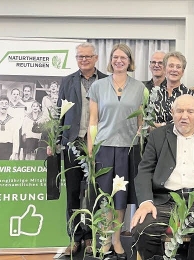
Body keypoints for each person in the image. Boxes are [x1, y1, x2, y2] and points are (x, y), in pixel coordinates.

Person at [131, 94, 194, 260]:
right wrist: (146, 202)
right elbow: (144, 171)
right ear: (172, 112)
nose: (184, 116)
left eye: (190, 111)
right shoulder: (158, 136)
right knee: (142, 230)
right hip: (163, 199)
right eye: (180, 111)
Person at [88, 43, 145, 258]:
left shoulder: (139, 88)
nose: (119, 61)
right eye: (115, 57)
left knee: (120, 198)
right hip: (104, 147)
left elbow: (140, 122)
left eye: (123, 57)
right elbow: (93, 120)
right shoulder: (98, 86)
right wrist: (91, 148)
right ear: (110, 60)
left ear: (130, 62)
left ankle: (117, 239)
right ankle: (104, 239)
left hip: (127, 149)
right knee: (105, 198)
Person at [55, 42, 107, 256]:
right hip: (73, 144)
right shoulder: (68, 81)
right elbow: (59, 111)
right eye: (79, 57)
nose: (83, 60)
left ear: (96, 58)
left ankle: (92, 237)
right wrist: (56, 141)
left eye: (87, 57)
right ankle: (75, 238)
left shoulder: (106, 80)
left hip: (100, 143)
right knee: (73, 193)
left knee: (97, 193)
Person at [149, 51, 194, 127]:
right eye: (171, 66)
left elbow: (187, 120)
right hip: (155, 137)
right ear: (164, 69)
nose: (174, 70)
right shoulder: (155, 93)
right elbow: (148, 118)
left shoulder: (190, 94)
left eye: (178, 67)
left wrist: (160, 125)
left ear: (182, 72)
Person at [0, 95, 21, 160]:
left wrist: (14, 153)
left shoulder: (13, 120)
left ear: (8, 106)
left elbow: (16, 138)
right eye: (1, 103)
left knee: (4, 169)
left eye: (6, 103)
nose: (4, 105)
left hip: (7, 148)